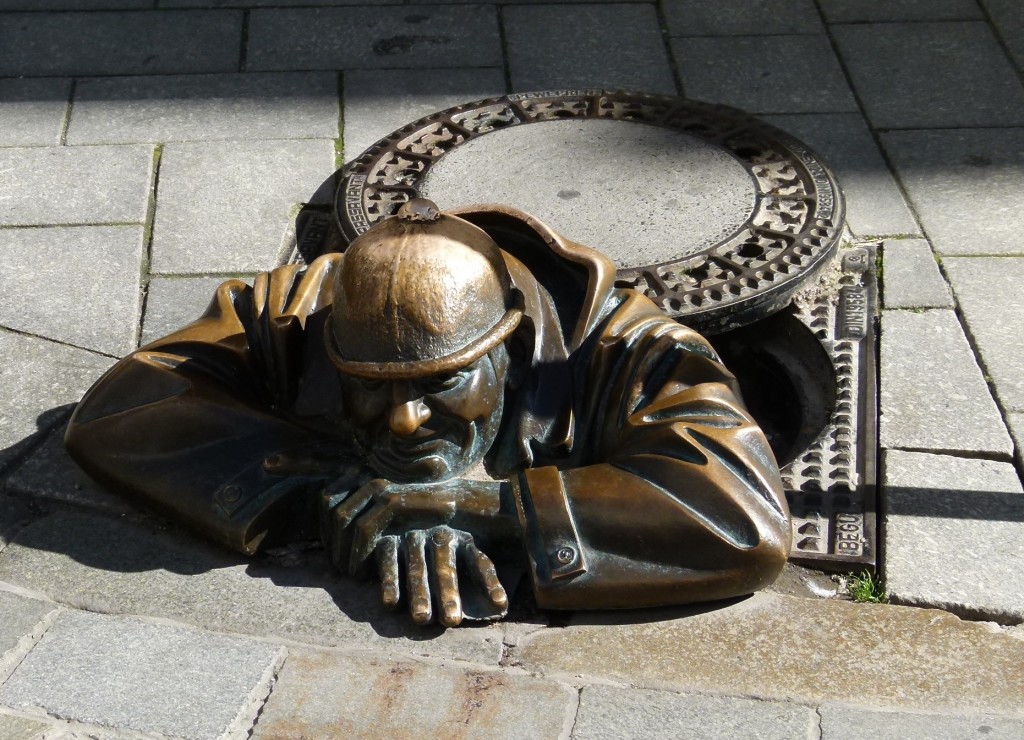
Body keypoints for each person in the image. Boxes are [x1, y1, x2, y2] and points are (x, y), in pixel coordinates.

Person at [65, 198, 790, 627]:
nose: (404, 420)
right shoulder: (304, 311)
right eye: (370, 384)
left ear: (507, 346)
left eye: (442, 381)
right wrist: (326, 491)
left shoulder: (629, 348)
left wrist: (483, 505)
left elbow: (742, 515)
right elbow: (124, 405)